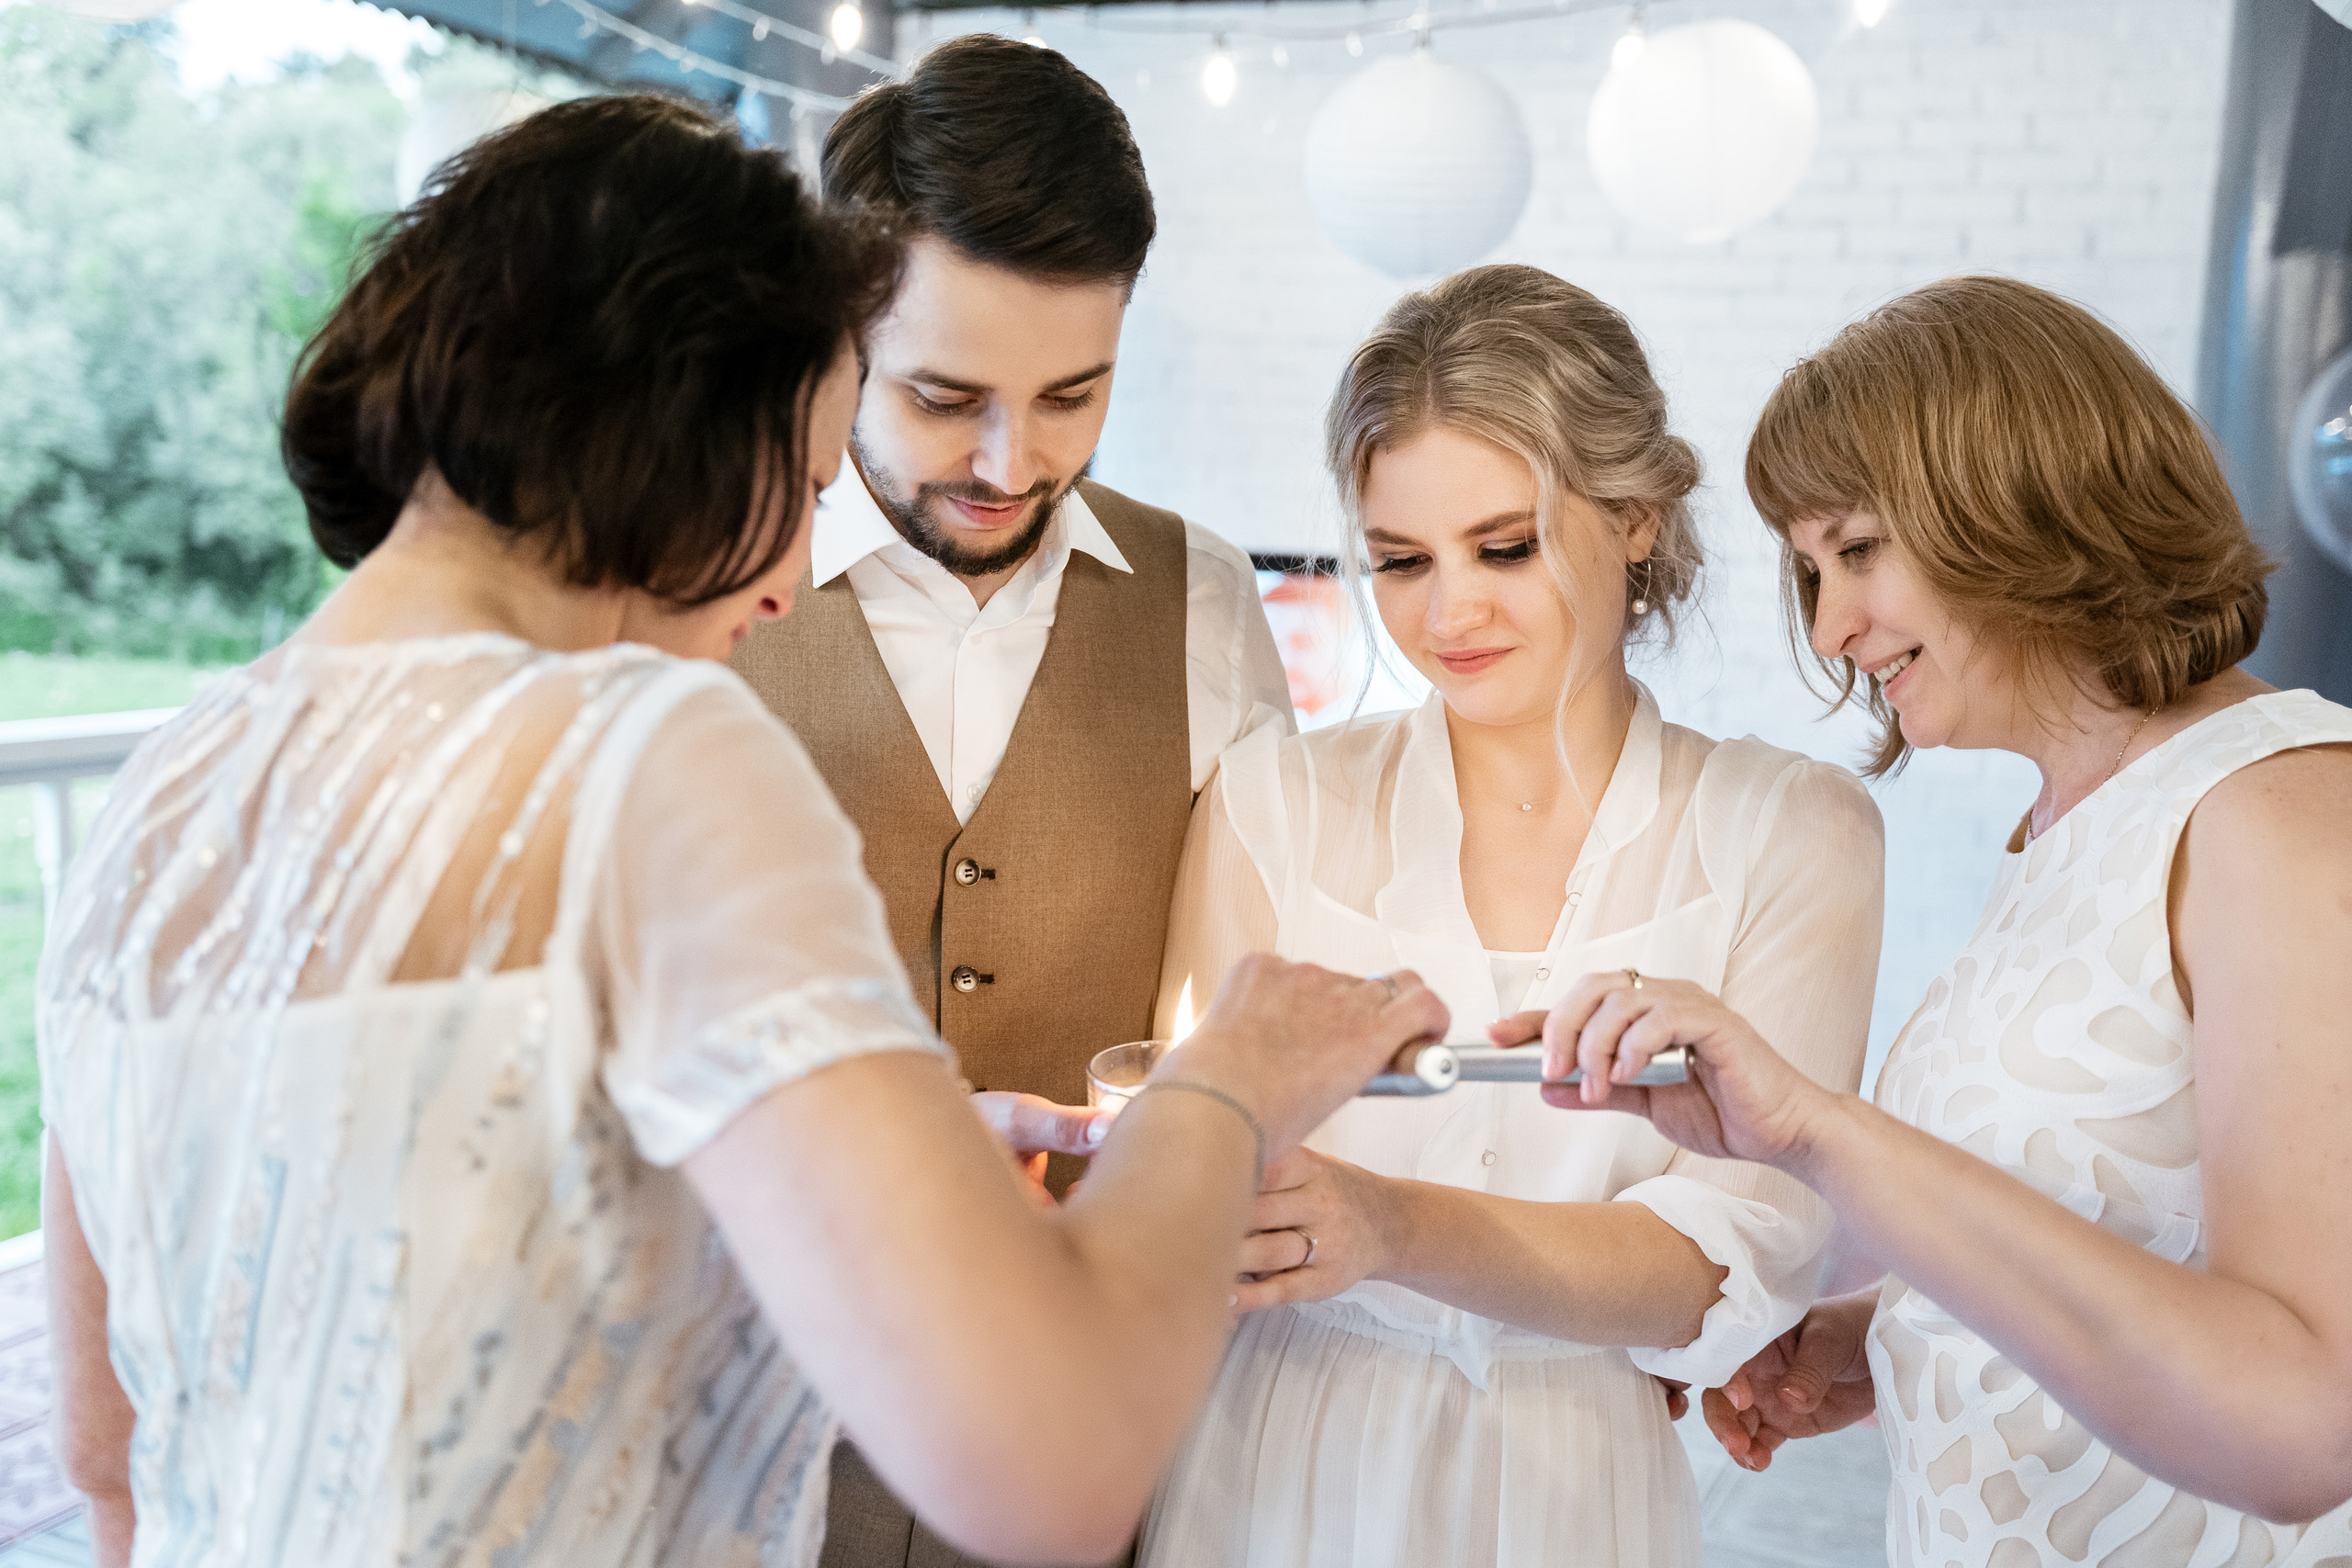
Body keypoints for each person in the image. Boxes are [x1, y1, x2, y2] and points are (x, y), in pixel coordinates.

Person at [38, 96, 1448, 1568]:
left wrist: (842, 1153)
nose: (787, 579)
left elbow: (111, 1449)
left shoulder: (166, 791)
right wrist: (1225, 1085)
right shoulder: (653, 749)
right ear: (680, 420)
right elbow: (1056, 1472)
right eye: (814, 479)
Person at [1531, 276, 2352, 1564]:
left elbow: (2305, 1420)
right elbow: (2127, 1243)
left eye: (1858, 551)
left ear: (2023, 496)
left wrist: (1815, 1127)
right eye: (1810, 571)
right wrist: (1898, 1341)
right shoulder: (2072, 825)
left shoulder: (2283, 813)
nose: (1833, 626)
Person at [1138, 265, 1884, 1568]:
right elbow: (1185, 1166)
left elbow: (1736, 1258)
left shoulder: (1795, 832)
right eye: (1399, 560)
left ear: (1638, 515)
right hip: (1265, 1460)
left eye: (1504, 544)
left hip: (1570, 1485)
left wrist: (1393, 1225)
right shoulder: (1274, 799)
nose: (1450, 612)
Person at [729, 35, 1289, 1181]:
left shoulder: (1209, 603)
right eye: (945, 398)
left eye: (1071, 397)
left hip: (1113, 1332)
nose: (1009, 463)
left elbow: (1246, 1004)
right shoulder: (698, 588)